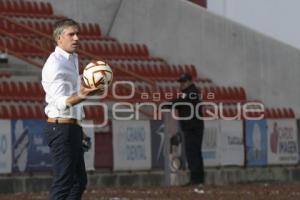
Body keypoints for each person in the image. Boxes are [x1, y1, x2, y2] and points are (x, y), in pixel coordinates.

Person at [41, 18, 102, 200]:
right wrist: (84, 94)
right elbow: (60, 102)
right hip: (60, 128)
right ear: (59, 38)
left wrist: (78, 127)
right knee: (64, 182)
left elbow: (72, 93)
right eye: (71, 34)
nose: (76, 38)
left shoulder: (72, 58)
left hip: (70, 126)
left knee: (78, 182)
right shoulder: (55, 64)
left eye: (78, 34)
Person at [164, 73, 205, 186]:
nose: (181, 84)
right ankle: (198, 179)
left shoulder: (191, 93)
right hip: (193, 127)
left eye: (183, 82)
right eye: (181, 82)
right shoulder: (189, 93)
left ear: (189, 81)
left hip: (193, 127)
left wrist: (166, 105)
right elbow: (179, 102)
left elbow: (179, 102)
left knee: (193, 153)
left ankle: (196, 180)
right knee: (195, 153)